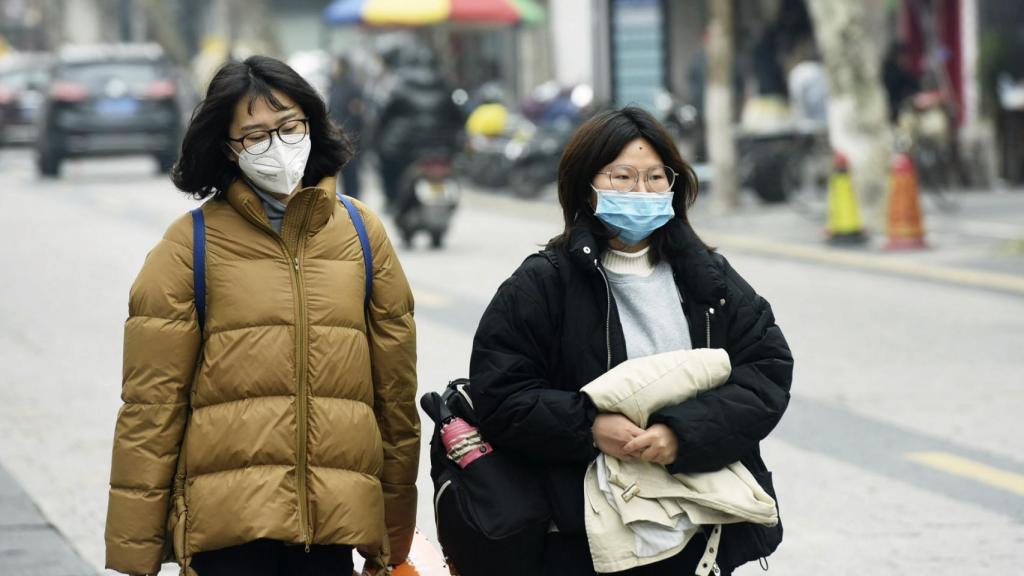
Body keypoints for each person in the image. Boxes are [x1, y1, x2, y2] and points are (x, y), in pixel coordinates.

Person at [104, 55, 419, 576]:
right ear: (226, 149)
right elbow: (150, 409)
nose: (277, 146)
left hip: (332, 530)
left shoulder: (362, 234)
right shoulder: (190, 245)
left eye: (289, 126)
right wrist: (135, 555)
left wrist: (393, 536)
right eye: (254, 137)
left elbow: (395, 399)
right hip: (227, 535)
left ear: (311, 126)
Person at [468, 107, 793, 575]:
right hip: (584, 535)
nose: (641, 192)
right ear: (586, 186)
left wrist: (681, 433)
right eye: (622, 177)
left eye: (655, 177)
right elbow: (500, 396)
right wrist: (589, 427)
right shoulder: (543, 284)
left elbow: (766, 371)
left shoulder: (708, 280)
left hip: (698, 532)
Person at [374, 45, 463, 210]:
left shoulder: (398, 86)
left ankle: (392, 201)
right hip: (441, 146)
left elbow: (385, 116)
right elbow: (459, 117)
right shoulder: (445, 85)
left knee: (387, 167)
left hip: (405, 148)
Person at [329, 55, 366, 198]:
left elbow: (358, 113)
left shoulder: (352, 86)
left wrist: (352, 131)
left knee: (351, 171)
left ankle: (354, 199)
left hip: (350, 134)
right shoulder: (335, 84)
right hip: (337, 134)